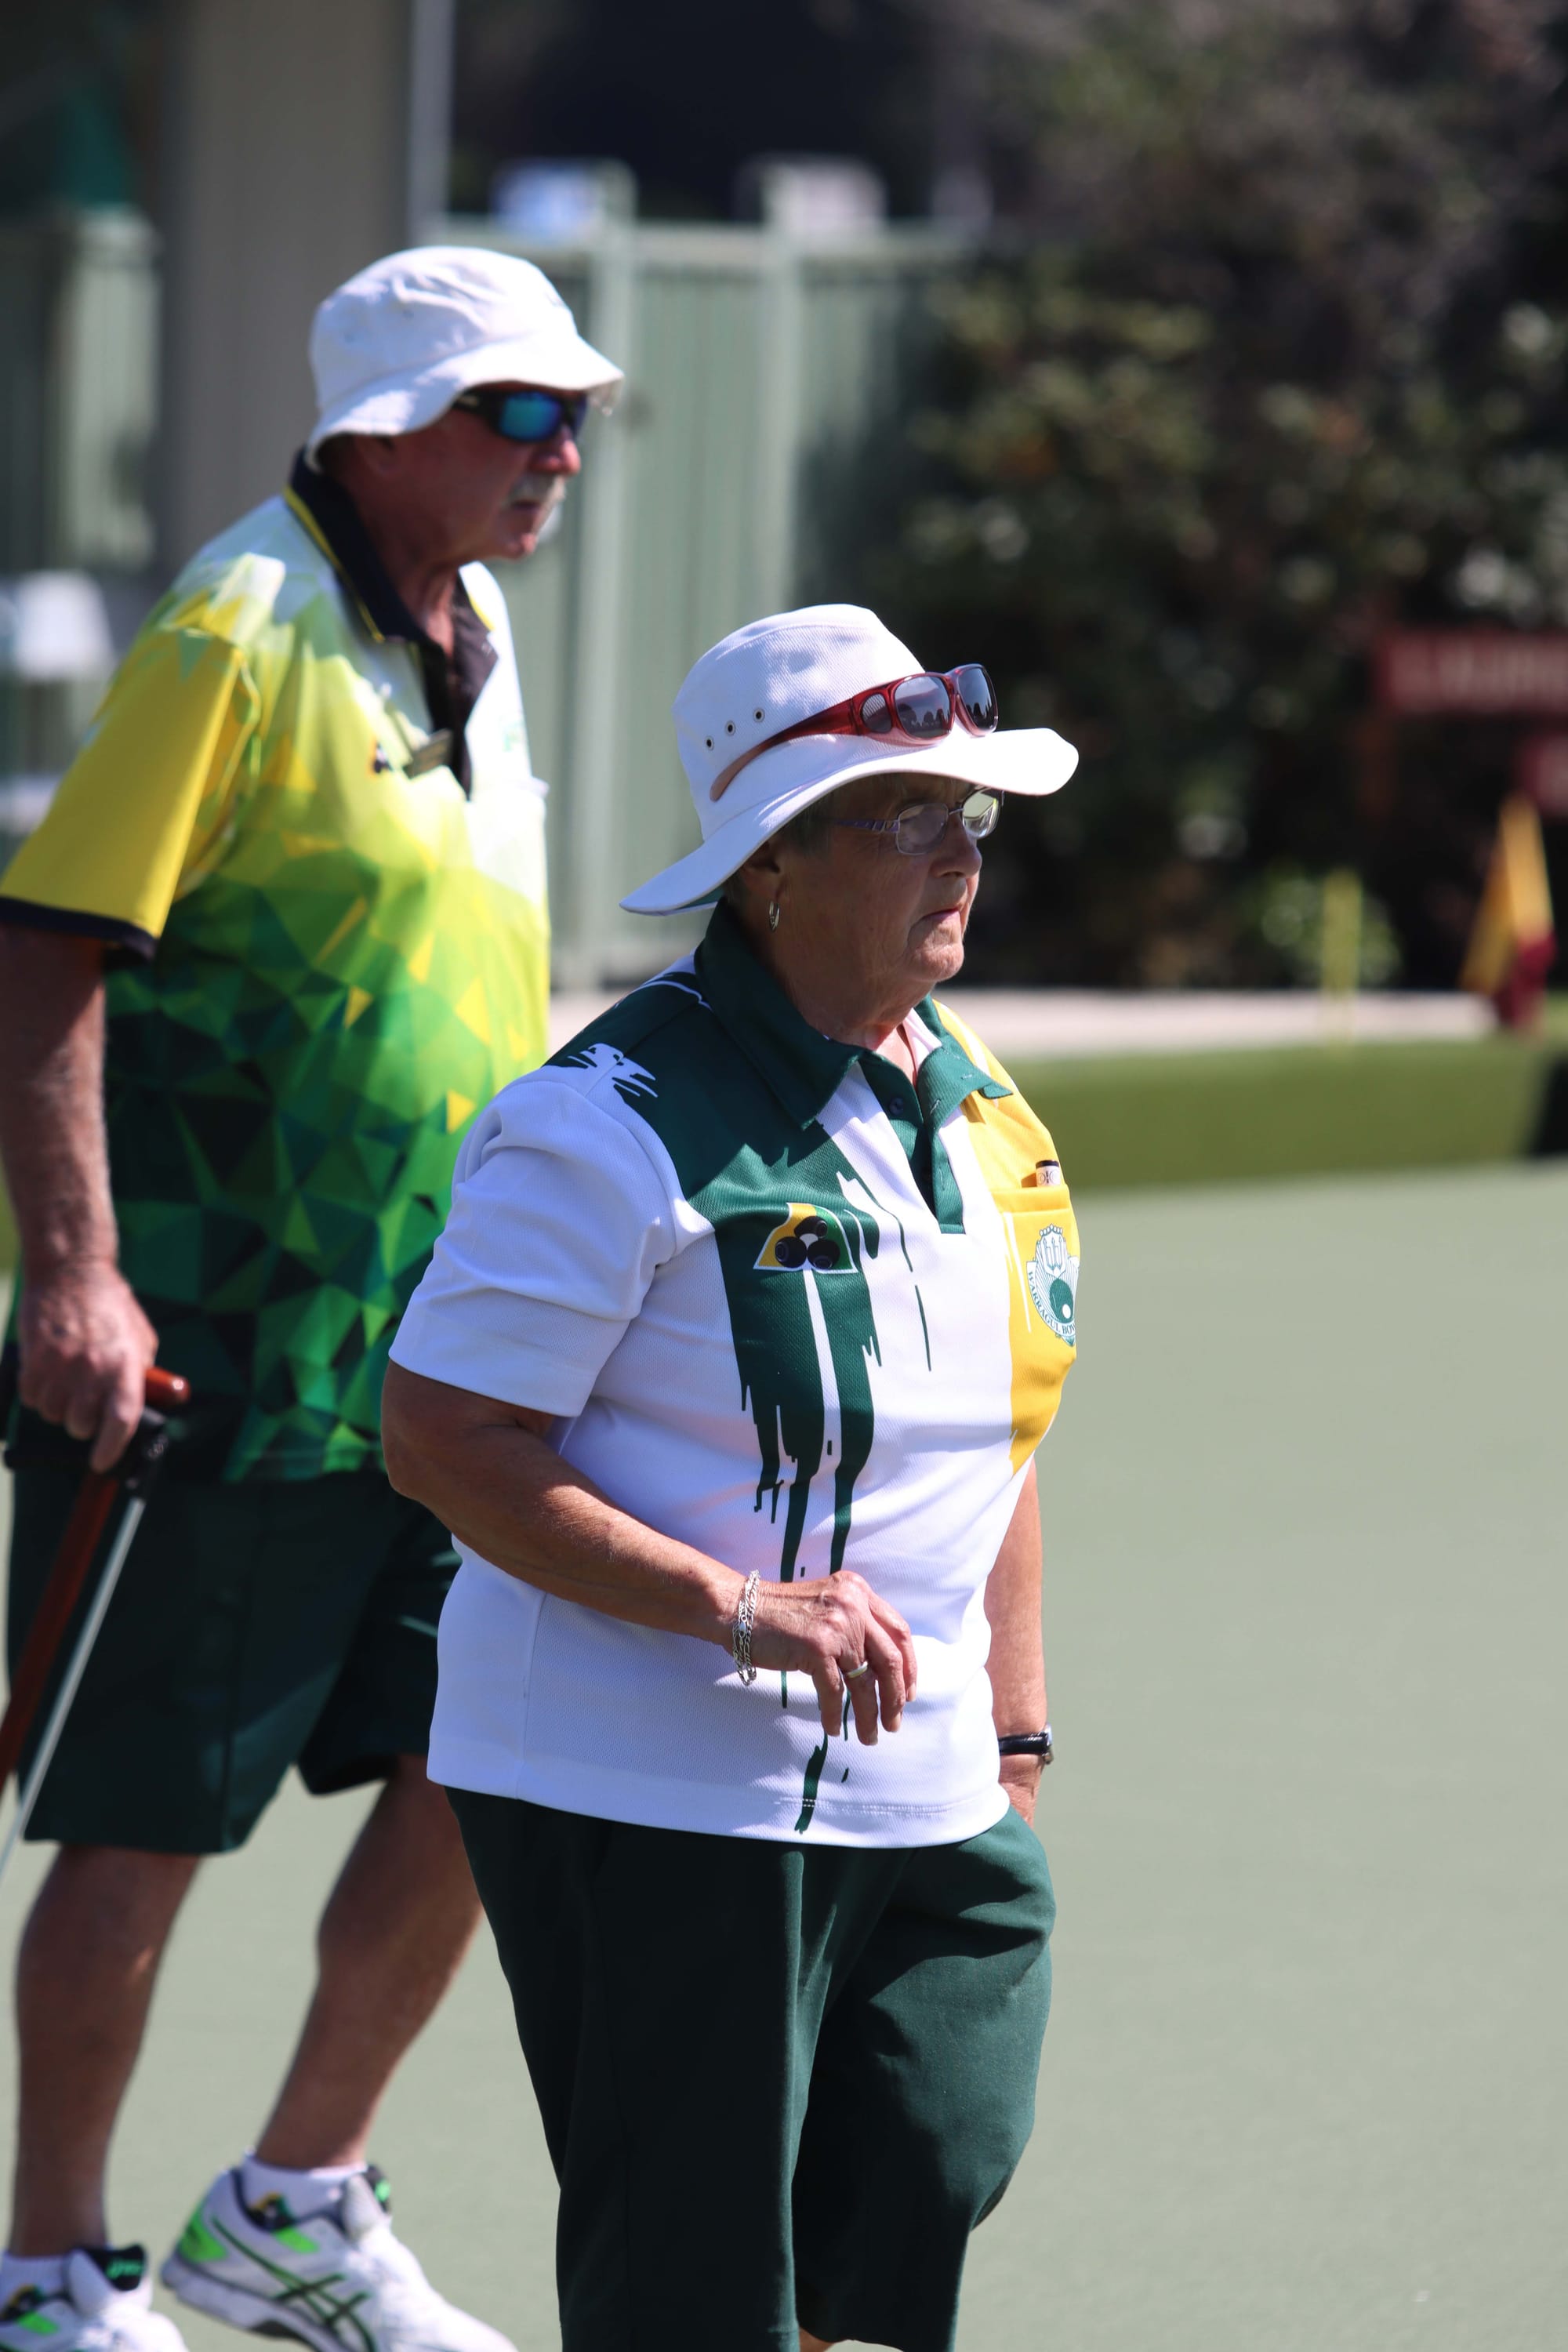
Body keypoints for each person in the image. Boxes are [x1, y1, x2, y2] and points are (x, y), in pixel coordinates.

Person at [0, 247, 622, 2352]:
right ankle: (49, 2265)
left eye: (574, 415)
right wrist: (73, 1271)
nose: (563, 454)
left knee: (493, 1759)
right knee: (142, 1818)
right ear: (391, 432)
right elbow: (47, 947)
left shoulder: (483, 627)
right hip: (213, 1347)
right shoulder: (234, 623)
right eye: (520, 415)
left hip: (449, 1358)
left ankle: (296, 2200)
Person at [380, 604, 1083, 2352]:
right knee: (694, 2289)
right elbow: (443, 1438)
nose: (957, 854)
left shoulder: (981, 1108)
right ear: (770, 869)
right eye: (905, 813)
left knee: (927, 2163)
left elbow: (994, 1438)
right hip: (648, 1790)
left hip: (925, 1788)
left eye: (964, 813)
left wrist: (1011, 1728)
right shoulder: (603, 1120)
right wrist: (737, 1605)